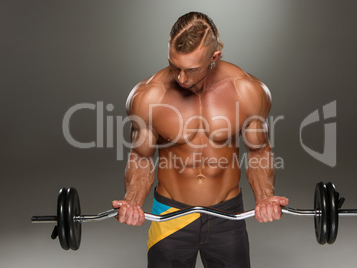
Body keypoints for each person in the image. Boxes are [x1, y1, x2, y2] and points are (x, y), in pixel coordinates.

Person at [112, 11, 289, 267]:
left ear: (214, 57)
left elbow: (259, 151)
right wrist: (133, 201)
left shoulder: (246, 91)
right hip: (171, 216)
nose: (181, 78)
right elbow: (141, 157)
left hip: (227, 215)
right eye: (174, 66)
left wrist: (264, 197)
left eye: (191, 70)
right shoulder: (148, 97)